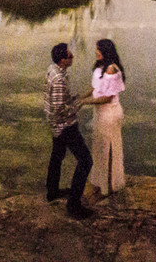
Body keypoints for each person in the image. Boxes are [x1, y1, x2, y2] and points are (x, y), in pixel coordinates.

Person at [44, 42, 95, 219]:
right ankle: (73, 206)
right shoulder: (59, 79)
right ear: (63, 60)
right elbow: (60, 108)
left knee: (57, 156)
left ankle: (52, 193)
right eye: (69, 54)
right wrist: (79, 104)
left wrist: (78, 97)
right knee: (86, 160)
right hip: (64, 125)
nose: (72, 55)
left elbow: (59, 101)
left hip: (54, 124)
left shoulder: (53, 69)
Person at [84, 38, 127, 203]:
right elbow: (95, 88)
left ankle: (108, 187)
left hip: (109, 113)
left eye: (99, 50)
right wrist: (81, 96)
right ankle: (101, 183)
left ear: (106, 51)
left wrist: (84, 103)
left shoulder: (111, 69)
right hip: (100, 113)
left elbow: (107, 98)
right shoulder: (101, 67)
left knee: (108, 148)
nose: (96, 52)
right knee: (100, 147)